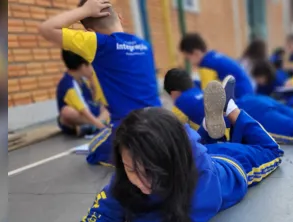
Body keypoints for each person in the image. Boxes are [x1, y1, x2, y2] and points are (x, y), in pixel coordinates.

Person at [72, 78, 283, 222]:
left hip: (233, 164)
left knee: (271, 150)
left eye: (150, 171)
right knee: (191, 149)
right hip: (193, 152)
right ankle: (208, 129)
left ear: (173, 163)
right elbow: (101, 213)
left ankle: (231, 108)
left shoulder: (203, 181)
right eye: (131, 169)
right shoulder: (131, 166)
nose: (142, 182)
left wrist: (130, 218)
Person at [38, 0, 161, 166]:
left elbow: (46, 29)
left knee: (94, 148)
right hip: (160, 121)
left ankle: (132, 156)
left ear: (90, 31)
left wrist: (84, 10)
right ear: (120, 17)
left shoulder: (99, 43)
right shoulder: (144, 45)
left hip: (128, 129)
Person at [164, 68, 293, 144]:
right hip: (255, 100)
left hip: (249, 115)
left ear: (173, 93)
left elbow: (175, 128)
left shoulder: (180, 102)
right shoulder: (202, 89)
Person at [179, 33, 255, 99]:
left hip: (240, 97)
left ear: (196, 53)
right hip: (247, 92)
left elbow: (207, 94)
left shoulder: (207, 64)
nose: (189, 62)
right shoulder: (213, 57)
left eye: (188, 58)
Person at [56, 50, 110, 137]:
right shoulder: (69, 85)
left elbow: (94, 101)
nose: (92, 69)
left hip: (91, 114)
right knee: (66, 112)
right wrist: (101, 126)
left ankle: (88, 128)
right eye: (90, 65)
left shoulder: (83, 80)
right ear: (83, 66)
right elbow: (84, 111)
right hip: (83, 116)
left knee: (107, 105)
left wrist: (93, 87)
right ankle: (94, 125)